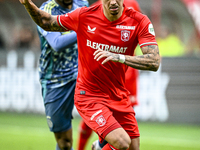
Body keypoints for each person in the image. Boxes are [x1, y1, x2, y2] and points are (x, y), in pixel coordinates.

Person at [19, 0, 160, 150]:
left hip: (117, 94)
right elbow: (47, 21)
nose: (113, 2)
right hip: (89, 94)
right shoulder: (84, 15)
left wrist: (119, 57)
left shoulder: (139, 20)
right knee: (122, 142)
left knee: (133, 147)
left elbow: (154, 61)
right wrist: (27, 3)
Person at [77, 0, 141, 149]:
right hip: (102, 73)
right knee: (92, 121)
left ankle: (100, 146)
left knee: (127, 134)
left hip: (127, 72)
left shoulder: (133, 5)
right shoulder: (96, 8)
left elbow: (140, 31)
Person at [35, 0, 88, 150]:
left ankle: (101, 144)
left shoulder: (82, 4)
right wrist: (85, 29)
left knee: (107, 112)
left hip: (81, 74)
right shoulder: (46, 10)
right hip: (56, 80)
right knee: (65, 143)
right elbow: (57, 43)